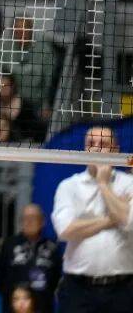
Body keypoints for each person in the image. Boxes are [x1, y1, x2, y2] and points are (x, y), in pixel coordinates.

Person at [51, 126, 133, 312]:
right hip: (78, 288)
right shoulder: (69, 186)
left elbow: (130, 222)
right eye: (91, 143)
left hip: (124, 288)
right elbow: (65, 230)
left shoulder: (129, 183)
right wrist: (111, 220)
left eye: (103, 144)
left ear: (115, 149)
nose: (96, 148)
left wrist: (103, 184)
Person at [0, 204, 59, 313]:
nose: (29, 221)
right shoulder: (9, 245)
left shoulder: (52, 247)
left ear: (42, 221)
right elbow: (0, 278)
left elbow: (56, 279)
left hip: (43, 307)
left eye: (33, 217)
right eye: (25, 218)